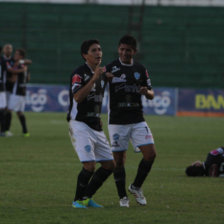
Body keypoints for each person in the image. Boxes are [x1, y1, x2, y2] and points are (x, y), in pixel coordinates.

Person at [105, 35, 156, 207]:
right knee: (119, 161)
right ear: (118, 49)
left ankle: (136, 187)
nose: (124, 53)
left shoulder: (140, 69)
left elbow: (151, 93)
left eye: (128, 50)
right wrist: (102, 77)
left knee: (151, 154)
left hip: (137, 119)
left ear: (134, 51)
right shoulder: (110, 68)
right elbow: (96, 84)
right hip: (117, 121)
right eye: (122, 49)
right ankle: (122, 197)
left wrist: (145, 92)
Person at [67, 39, 114, 208]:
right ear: (85, 55)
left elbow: (97, 100)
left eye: (100, 49)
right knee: (89, 165)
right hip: (79, 124)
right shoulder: (79, 73)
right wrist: (94, 78)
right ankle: (77, 201)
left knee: (109, 165)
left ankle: (87, 197)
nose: (98, 53)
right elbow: (78, 97)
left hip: (95, 125)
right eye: (94, 50)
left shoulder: (101, 74)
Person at [6, 48, 30, 137]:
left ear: (21, 56)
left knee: (8, 110)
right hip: (23, 91)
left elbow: (13, 79)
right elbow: (28, 78)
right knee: (19, 112)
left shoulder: (19, 65)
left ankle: (6, 130)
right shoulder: (25, 65)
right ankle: (25, 132)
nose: (14, 55)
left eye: (16, 54)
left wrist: (9, 78)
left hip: (16, 92)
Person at [0, 53, 7, 136]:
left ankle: (2, 131)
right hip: (1, 86)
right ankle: (2, 131)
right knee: (2, 109)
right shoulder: (3, 60)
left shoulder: (3, 60)